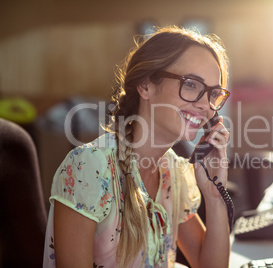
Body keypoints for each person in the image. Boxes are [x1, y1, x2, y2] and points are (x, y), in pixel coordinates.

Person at [43, 26, 232, 268]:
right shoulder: (89, 167)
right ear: (145, 86)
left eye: (213, 94)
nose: (206, 105)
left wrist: (215, 195)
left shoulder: (173, 172)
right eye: (192, 84)